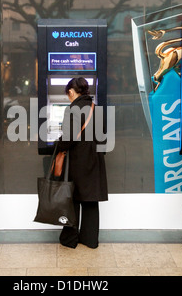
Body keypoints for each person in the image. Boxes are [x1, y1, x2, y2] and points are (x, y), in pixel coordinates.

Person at [57, 77, 108, 249]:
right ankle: (90, 239)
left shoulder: (72, 109)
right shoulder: (97, 109)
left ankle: (70, 239)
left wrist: (58, 145)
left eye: (67, 95)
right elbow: (104, 140)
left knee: (72, 199)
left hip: (77, 160)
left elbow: (68, 138)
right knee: (91, 200)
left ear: (71, 92)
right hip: (94, 160)